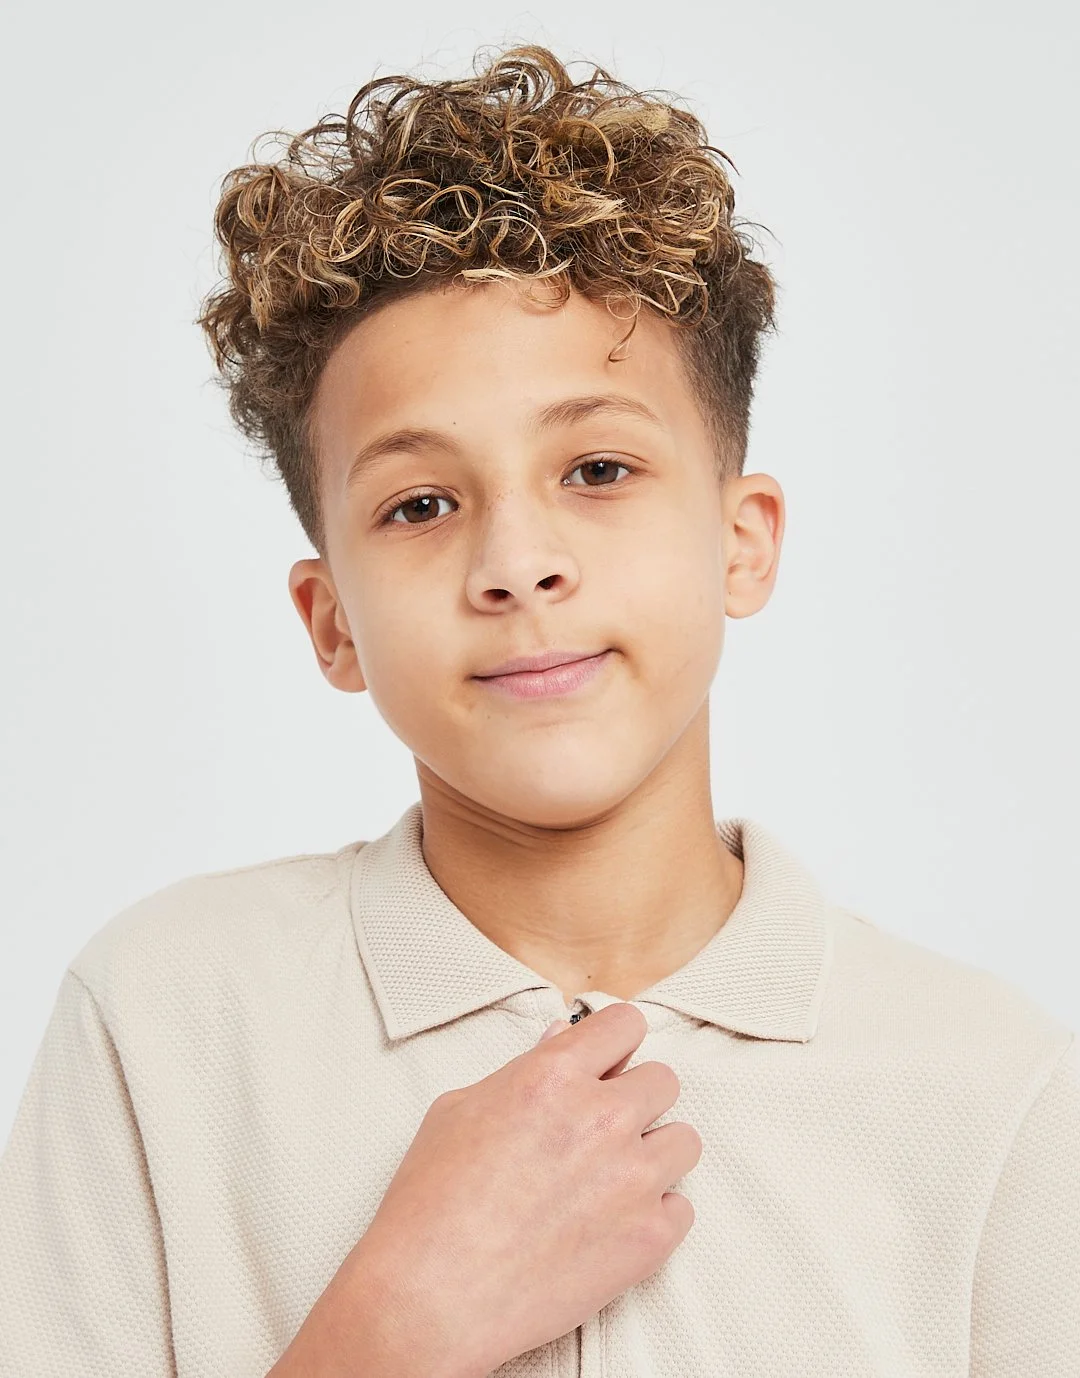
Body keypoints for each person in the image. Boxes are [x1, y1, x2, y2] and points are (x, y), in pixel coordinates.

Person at [1, 41, 1077, 1378]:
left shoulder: (994, 1094)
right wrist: (389, 1327)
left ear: (743, 541)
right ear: (331, 618)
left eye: (600, 466)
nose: (518, 560)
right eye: (421, 502)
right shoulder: (157, 1024)